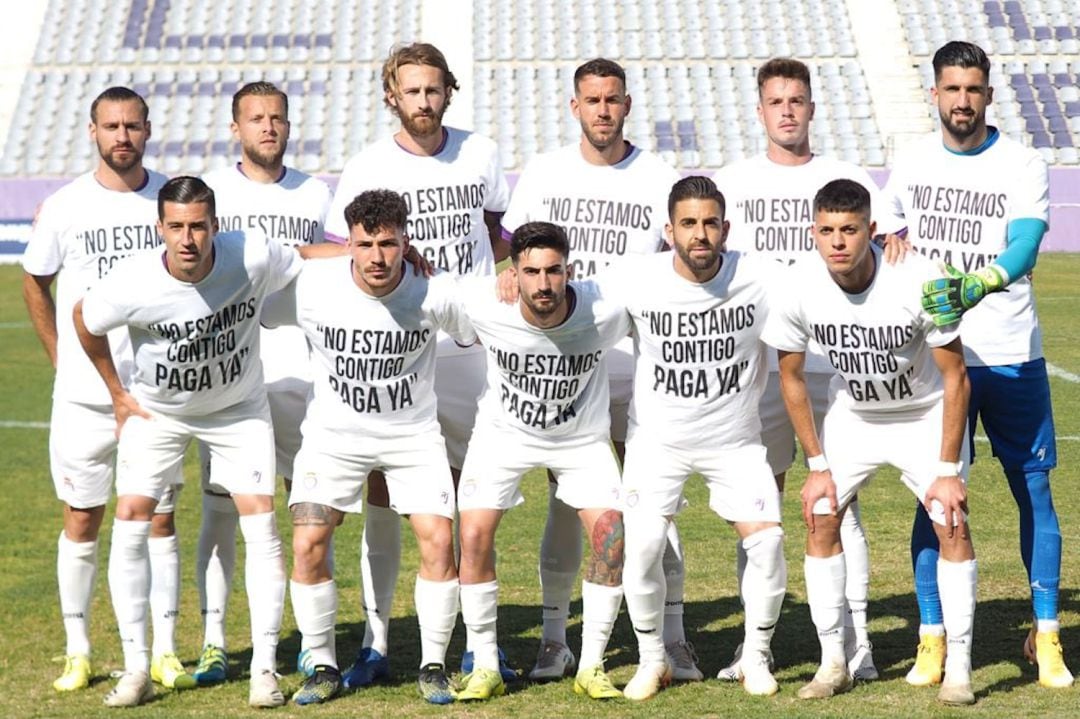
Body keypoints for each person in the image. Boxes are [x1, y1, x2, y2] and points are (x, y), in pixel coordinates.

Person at [73, 176, 314, 707]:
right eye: (176, 227)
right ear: (160, 228)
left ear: (215, 226)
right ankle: (137, 668)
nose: (188, 239)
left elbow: (304, 256)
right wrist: (117, 393)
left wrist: (366, 251)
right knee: (133, 519)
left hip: (238, 410)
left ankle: (264, 671)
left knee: (260, 522)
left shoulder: (249, 254)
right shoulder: (132, 282)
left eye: (198, 226)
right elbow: (84, 319)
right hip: (158, 412)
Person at [499, 58, 699, 682]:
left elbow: (684, 267)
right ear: (574, 106)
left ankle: (673, 638)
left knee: (650, 506)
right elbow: (514, 253)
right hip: (562, 370)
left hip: (640, 367)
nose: (603, 110)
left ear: (628, 104)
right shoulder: (545, 172)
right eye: (592, 100)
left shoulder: (659, 176)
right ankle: (556, 639)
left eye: (613, 99)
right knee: (568, 503)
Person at [885, 40, 1072, 689]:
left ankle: (1046, 633)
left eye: (973, 89)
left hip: (1012, 350)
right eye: (952, 88)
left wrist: (981, 280)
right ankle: (931, 634)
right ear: (934, 93)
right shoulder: (908, 164)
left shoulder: (1021, 162)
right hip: (941, 359)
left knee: (1034, 489)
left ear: (988, 95)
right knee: (933, 495)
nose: (963, 100)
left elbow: (1025, 241)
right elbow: (890, 235)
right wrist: (898, 256)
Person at [325, 41, 511, 686]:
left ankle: (468, 639)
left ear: (448, 92)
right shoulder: (365, 166)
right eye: (412, 91)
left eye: (434, 90)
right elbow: (334, 251)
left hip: (468, 347)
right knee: (384, 486)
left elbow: (496, 231)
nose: (423, 102)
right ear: (391, 96)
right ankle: (376, 640)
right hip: (396, 345)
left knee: (468, 493)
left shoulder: (481, 153)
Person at [711, 57, 893, 682]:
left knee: (840, 506)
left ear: (813, 108)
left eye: (797, 100)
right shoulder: (732, 181)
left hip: (838, 367)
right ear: (759, 111)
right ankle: (753, 644)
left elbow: (892, 242)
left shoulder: (846, 176)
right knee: (760, 505)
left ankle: (857, 642)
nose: (787, 111)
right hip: (758, 366)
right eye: (776, 101)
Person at [762, 179, 977, 705]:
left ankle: (961, 668)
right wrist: (816, 463)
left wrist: (948, 470)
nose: (838, 242)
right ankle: (834, 661)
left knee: (949, 519)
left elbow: (956, 377)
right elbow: (790, 377)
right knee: (820, 511)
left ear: (872, 231)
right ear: (813, 232)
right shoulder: (797, 286)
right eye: (828, 231)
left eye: (850, 230)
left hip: (922, 413)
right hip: (854, 414)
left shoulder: (919, 277)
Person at [262, 189, 472, 705]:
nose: (377, 257)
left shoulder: (433, 291)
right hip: (334, 437)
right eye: (364, 244)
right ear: (347, 243)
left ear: (406, 241)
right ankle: (323, 666)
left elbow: (476, 326)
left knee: (439, 541)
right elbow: (266, 287)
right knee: (308, 539)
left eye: (388, 243)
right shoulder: (311, 289)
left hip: (412, 436)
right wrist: (325, 255)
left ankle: (433, 665)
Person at [21, 87, 192, 694]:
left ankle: (167, 651)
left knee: (160, 520)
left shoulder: (173, 198)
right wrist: (62, 359)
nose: (123, 136)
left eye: (133, 126)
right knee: (82, 518)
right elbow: (35, 283)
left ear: (149, 130)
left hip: (152, 396)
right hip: (83, 399)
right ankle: (78, 650)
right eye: (111, 126)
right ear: (92, 131)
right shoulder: (65, 206)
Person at [614, 177, 785, 700]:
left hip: (735, 442)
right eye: (688, 223)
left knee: (768, 542)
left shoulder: (761, 277)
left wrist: (884, 246)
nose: (700, 234)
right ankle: (653, 659)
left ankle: (755, 657)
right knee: (640, 549)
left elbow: (832, 279)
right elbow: (568, 299)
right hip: (656, 444)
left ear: (726, 228)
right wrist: (509, 285)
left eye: (710, 222)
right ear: (669, 231)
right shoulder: (635, 278)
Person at [192, 80, 332, 686]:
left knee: (308, 509)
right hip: (228, 375)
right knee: (222, 510)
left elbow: (330, 256)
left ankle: (308, 640)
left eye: (277, 118)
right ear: (235, 128)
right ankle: (215, 641)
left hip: (304, 367)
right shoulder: (213, 193)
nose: (268, 128)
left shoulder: (316, 191)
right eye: (256, 119)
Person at [454, 222, 629, 701]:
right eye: (530, 271)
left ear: (569, 270)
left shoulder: (604, 308)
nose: (543, 283)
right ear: (514, 273)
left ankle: (591, 664)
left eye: (553, 270)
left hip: (580, 440)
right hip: (503, 436)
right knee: (471, 534)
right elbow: (425, 293)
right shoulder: (485, 303)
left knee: (612, 534)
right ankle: (485, 663)